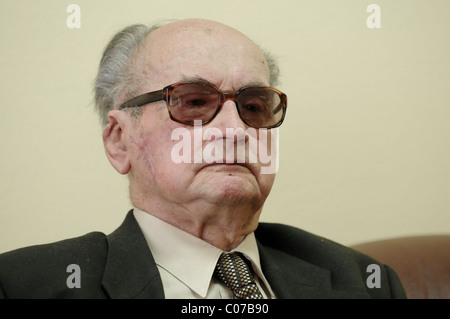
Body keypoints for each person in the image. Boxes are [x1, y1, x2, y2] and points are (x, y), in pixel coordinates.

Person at [0, 18, 405, 299]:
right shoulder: (24, 285)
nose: (235, 130)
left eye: (253, 105)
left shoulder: (365, 283)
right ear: (120, 140)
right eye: (193, 102)